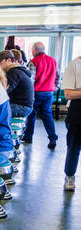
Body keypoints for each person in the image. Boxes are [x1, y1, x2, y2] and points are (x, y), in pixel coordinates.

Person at [22, 42, 60, 149]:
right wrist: (54, 89)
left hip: (36, 93)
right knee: (47, 115)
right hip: (49, 93)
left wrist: (27, 94)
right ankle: (52, 138)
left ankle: (28, 137)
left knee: (31, 115)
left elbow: (30, 80)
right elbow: (58, 77)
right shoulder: (53, 61)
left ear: (34, 50)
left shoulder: (33, 62)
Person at [61, 56, 81, 191]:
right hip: (78, 112)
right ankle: (69, 177)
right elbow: (68, 94)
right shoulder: (74, 65)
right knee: (74, 147)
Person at [0, 50, 34, 118]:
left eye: (0, 63)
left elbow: (6, 90)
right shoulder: (17, 70)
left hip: (22, 107)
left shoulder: (14, 71)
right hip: (23, 106)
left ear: (8, 60)